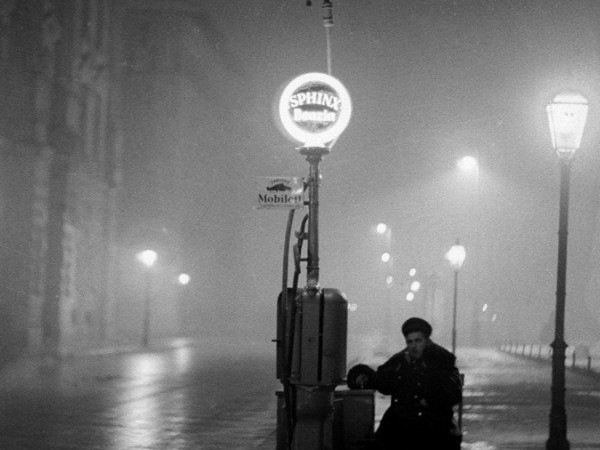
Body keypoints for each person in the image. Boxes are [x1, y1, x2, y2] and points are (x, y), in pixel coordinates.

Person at [373, 317, 462, 449]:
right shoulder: (400, 360)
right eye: (410, 342)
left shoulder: (442, 360)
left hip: (434, 425)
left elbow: (453, 392)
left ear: (427, 341)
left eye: (418, 341)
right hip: (403, 425)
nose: (414, 346)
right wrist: (363, 376)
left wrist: (431, 396)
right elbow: (383, 382)